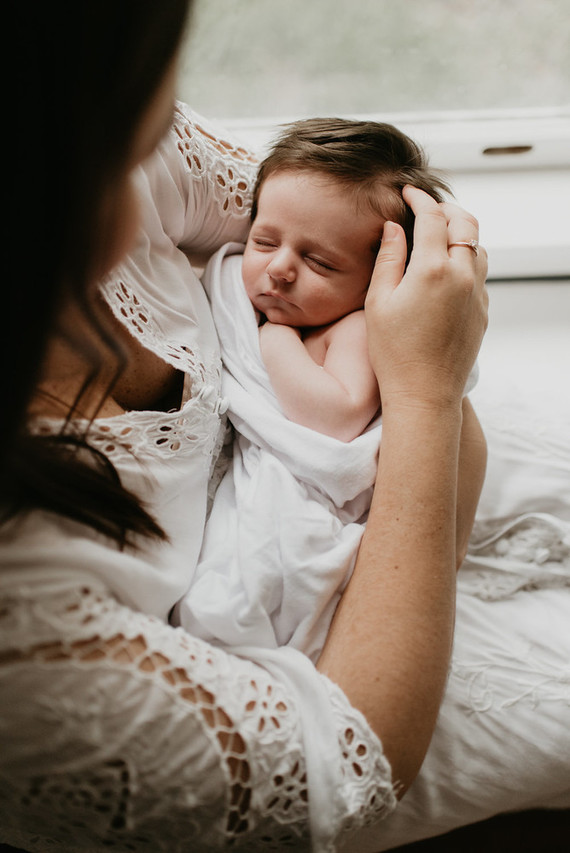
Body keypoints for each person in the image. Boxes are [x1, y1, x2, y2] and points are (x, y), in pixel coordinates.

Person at [3, 3, 567, 852]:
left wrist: (425, 351)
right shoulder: (32, 660)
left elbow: (329, 213)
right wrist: (423, 398)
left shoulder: (109, 145)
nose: (151, 171)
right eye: (126, 147)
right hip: (315, 626)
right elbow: (351, 758)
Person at [176, 118, 484, 662]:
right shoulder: (241, 284)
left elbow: (337, 419)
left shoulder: (360, 328)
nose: (279, 268)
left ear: (380, 279)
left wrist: (276, 340)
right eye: (264, 240)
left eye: (320, 261)